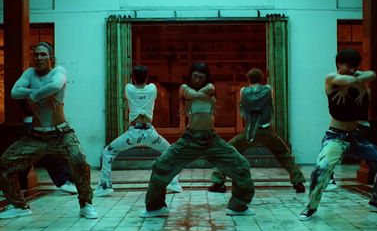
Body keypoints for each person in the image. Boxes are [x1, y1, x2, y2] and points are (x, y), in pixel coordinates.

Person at [140, 62, 255, 218]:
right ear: (190, 76)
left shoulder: (210, 88)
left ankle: (238, 206)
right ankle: (155, 207)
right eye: (194, 76)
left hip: (211, 139)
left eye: (200, 77)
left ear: (206, 77)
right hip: (190, 138)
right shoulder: (185, 89)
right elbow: (191, 94)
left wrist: (200, 93)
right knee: (161, 165)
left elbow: (205, 91)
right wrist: (200, 93)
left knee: (241, 165)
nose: (197, 80)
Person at [0, 42, 97, 220]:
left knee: (80, 163)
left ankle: (86, 204)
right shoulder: (29, 74)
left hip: (61, 134)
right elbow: (14, 92)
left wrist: (33, 96)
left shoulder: (58, 71)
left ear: (51, 57)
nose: (38, 58)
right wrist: (37, 92)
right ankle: (20, 206)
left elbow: (55, 86)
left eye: (43, 54)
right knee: (4, 164)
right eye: (35, 55)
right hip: (36, 136)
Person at [299, 48, 377, 221]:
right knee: (322, 169)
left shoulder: (356, 79)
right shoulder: (331, 79)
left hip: (356, 137)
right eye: (348, 66)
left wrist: (355, 80)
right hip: (335, 137)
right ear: (339, 64)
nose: (352, 70)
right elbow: (343, 79)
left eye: (355, 66)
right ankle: (310, 208)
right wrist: (355, 82)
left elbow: (372, 74)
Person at [208, 68, 306, 193]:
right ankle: (298, 181)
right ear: (261, 79)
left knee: (227, 152)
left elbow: (243, 110)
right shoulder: (269, 89)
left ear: (248, 79)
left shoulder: (243, 91)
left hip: (249, 132)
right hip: (266, 131)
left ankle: (217, 181)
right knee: (284, 154)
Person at [94, 65, 183, 196]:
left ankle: (105, 185)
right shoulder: (152, 89)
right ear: (147, 77)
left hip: (133, 133)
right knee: (170, 152)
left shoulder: (129, 89)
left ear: (133, 78)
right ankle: (173, 182)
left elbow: (125, 96)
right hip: (150, 133)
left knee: (108, 152)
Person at [20, 101, 77, 194]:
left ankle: (20, 184)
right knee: (48, 153)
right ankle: (63, 181)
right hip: (36, 122)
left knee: (27, 154)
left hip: (36, 121)